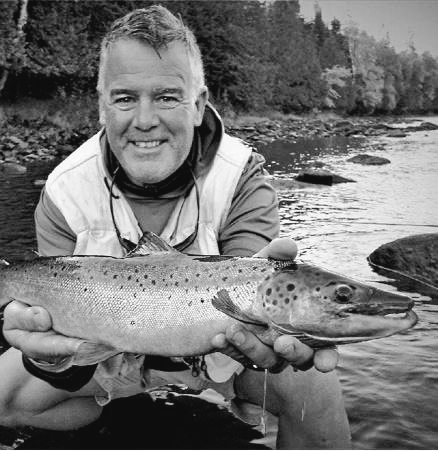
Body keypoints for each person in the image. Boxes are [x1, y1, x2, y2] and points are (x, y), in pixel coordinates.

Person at [0, 6, 350, 449]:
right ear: (102, 106)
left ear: (199, 105)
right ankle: (114, 410)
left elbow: (257, 319)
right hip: (107, 352)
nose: (145, 120)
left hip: (220, 353)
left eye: (167, 97)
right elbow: (58, 342)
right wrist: (47, 357)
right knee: (6, 398)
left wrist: (272, 336)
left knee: (313, 384)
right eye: (124, 98)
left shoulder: (242, 178)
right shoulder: (64, 190)